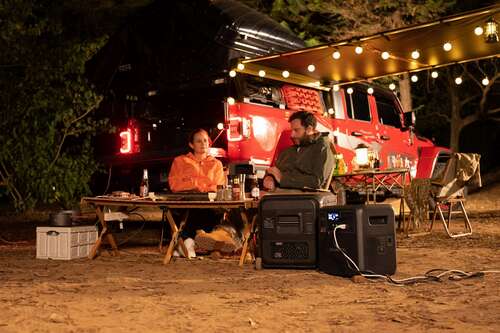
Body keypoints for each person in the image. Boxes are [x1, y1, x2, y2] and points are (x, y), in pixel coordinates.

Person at [168, 128, 237, 255]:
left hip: (209, 204)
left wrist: (191, 183)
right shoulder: (180, 161)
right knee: (192, 209)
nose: (203, 143)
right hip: (185, 202)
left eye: (205, 140)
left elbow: (218, 186)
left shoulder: (216, 164)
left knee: (207, 210)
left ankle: (187, 242)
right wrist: (199, 184)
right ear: (191, 144)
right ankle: (192, 242)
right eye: (199, 141)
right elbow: (174, 185)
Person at [263, 110, 335, 191]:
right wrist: (270, 178)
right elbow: (274, 171)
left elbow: (316, 181)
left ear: (309, 129)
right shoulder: (289, 151)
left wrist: (282, 178)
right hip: (277, 196)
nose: (292, 135)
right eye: (292, 130)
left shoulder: (321, 149)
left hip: (302, 199)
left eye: (296, 130)